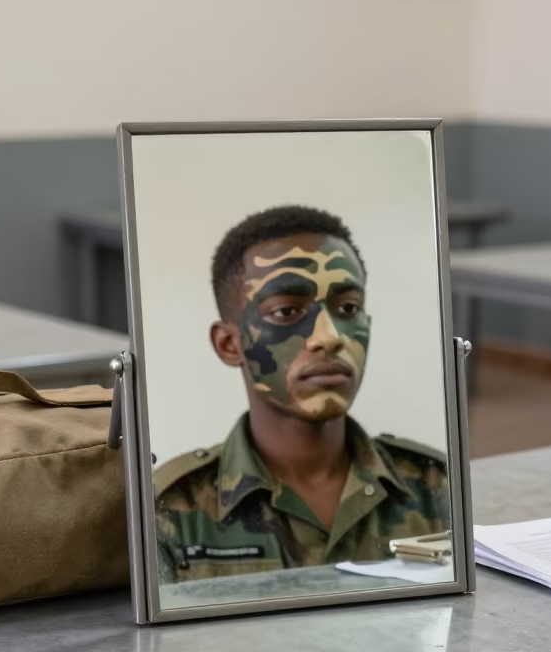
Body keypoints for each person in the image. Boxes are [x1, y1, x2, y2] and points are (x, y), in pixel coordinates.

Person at [154, 204, 450, 583]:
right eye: (285, 312)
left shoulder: (436, 486)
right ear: (230, 344)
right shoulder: (169, 507)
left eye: (348, 308)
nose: (329, 337)